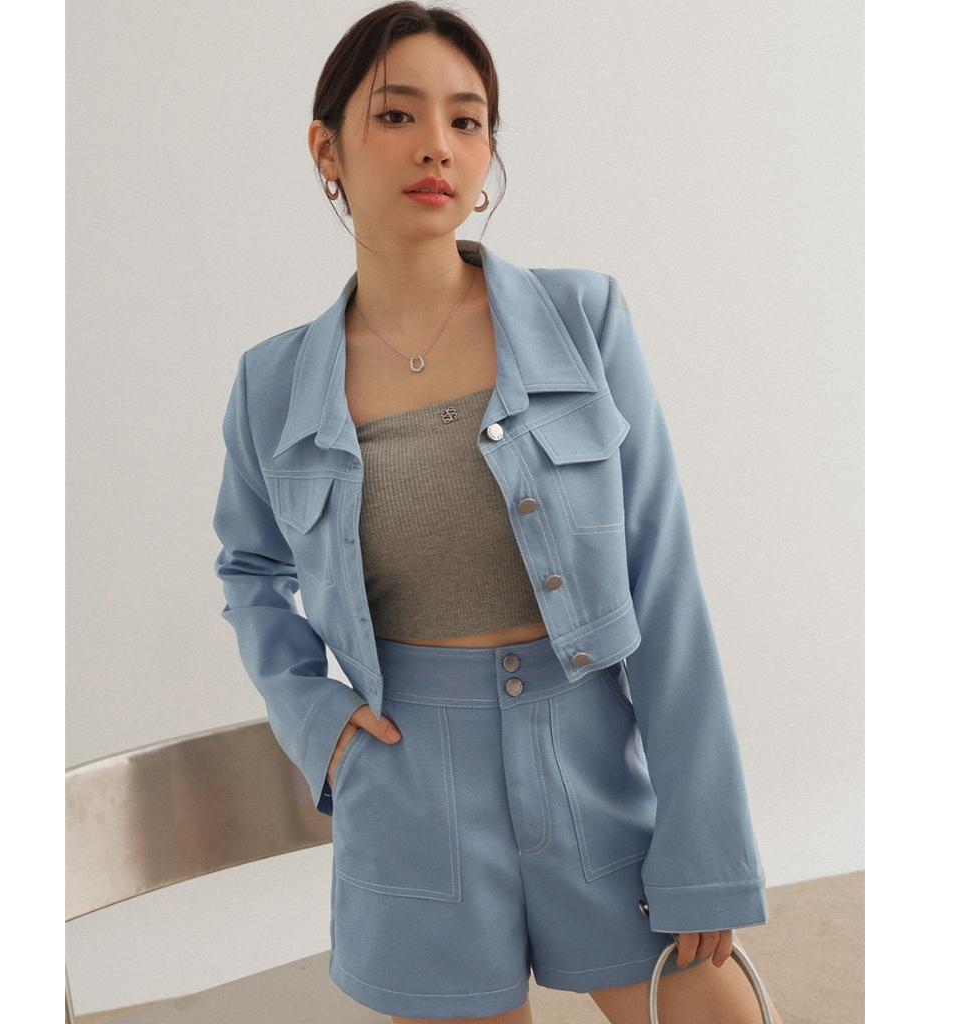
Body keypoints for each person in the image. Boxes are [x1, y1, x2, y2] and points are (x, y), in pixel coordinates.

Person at [213, 4, 782, 1022]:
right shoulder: (272, 384)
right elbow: (250, 570)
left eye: (467, 120)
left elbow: (662, 580)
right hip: (407, 783)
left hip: (589, 762)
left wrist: (707, 844)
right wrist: (317, 719)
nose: (438, 144)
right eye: (397, 115)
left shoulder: (582, 319)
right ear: (326, 149)